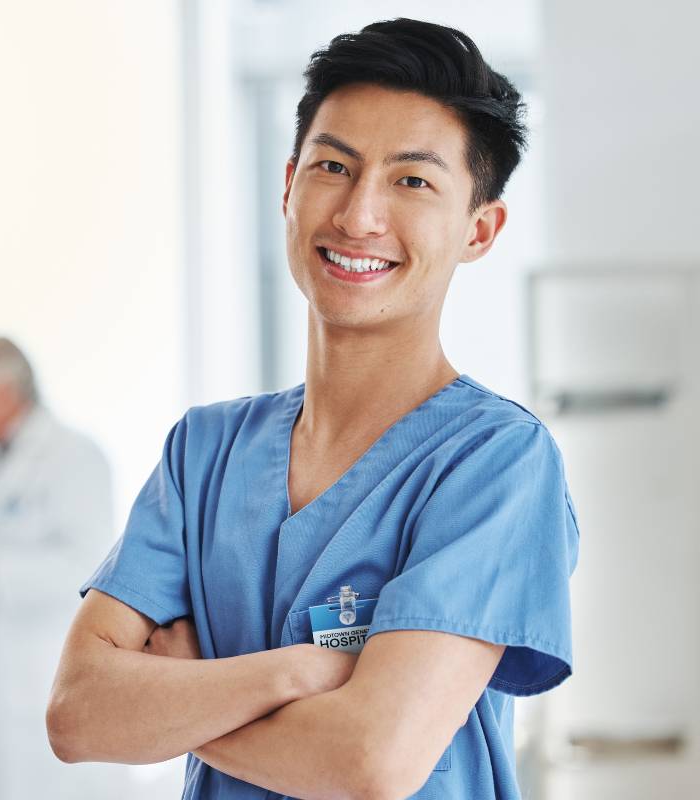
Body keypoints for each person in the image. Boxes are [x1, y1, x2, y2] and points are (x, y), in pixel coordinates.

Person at [47, 19, 579, 800]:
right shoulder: (205, 453)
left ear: (480, 229)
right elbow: (77, 716)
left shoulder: (497, 464)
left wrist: (188, 695)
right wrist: (295, 672)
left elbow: (369, 761)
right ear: (289, 186)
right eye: (335, 166)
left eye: (413, 181)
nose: (359, 215)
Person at [0, 336, 127, 800]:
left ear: (4, 389)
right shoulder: (3, 465)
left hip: (39, 685)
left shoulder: (71, 455)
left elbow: (88, 565)